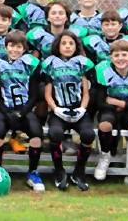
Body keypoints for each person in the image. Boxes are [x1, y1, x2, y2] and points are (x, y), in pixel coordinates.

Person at [0, 31, 44, 191]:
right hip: (4, 109)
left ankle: (32, 172)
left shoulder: (30, 65)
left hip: (24, 109)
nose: (15, 50)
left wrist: (23, 112)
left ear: (24, 49)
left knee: (36, 135)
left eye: (19, 47)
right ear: (6, 47)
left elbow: (34, 94)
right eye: (12, 46)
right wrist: (6, 112)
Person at [42, 31, 95, 192]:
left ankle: (79, 171)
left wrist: (82, 109)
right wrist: (56, 109)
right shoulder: (51, 63)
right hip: (59, 109)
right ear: (57, 46)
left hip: (77, 108)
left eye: (71, 43)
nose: (67, 46)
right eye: (64, 43)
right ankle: (59, 171)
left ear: (76, 46)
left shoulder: (81, 63)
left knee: (88, 134)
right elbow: (47, 93)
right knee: (55, 133)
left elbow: (86, 92)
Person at [93, 39, 128, 182]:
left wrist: (119, 103)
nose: (120, 58)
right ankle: (105, 156)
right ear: (111, 57)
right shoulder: (103, 70)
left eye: (124, 54)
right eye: (116, 55)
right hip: (109, 110)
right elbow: (100, 102)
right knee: (105, 125)